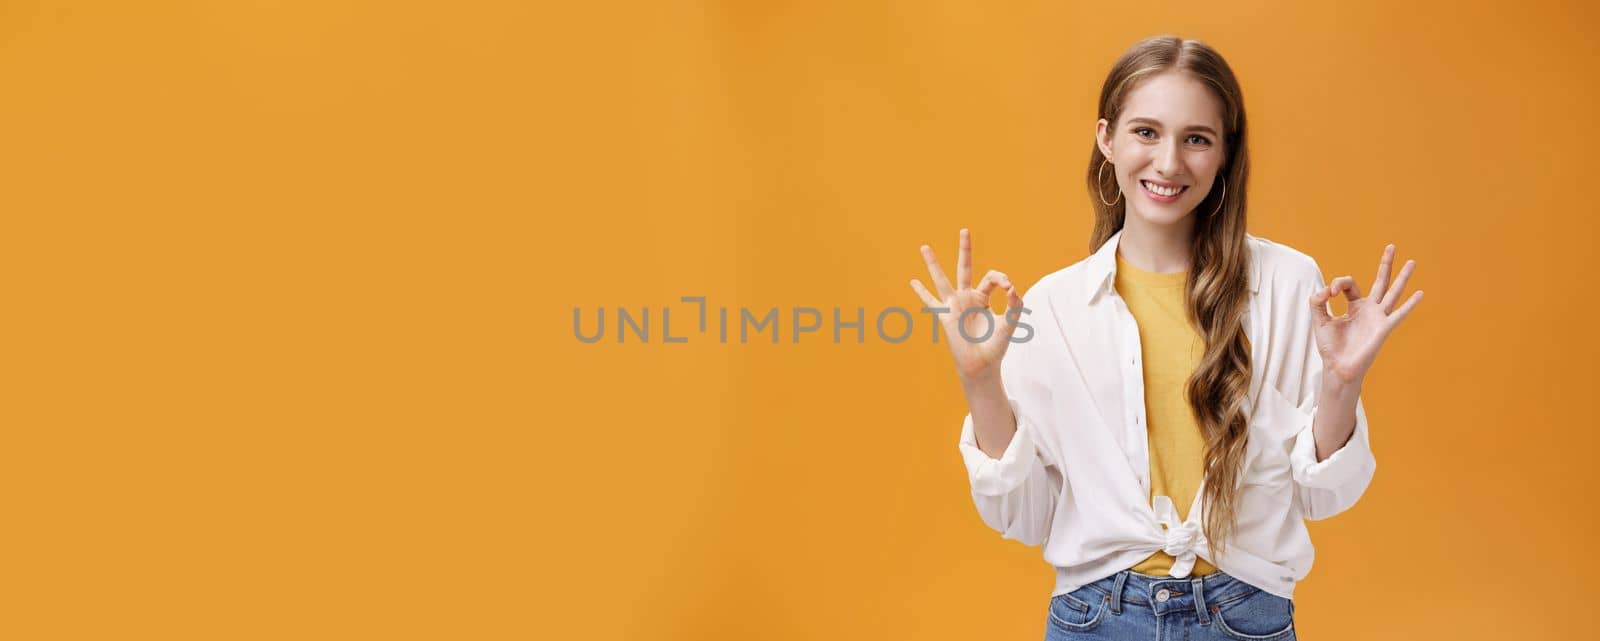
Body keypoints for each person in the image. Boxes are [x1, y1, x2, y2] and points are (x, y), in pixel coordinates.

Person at [908, 36, 1423, 640]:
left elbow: (1324, 497)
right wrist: (980, 384)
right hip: (1095, 619)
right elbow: (1026, 516)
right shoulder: (1054, 304)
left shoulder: (1289, 284)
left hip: (1244, 618)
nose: (1169, 163)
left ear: (1226, 152)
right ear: (1107, 139)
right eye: (1146, 132)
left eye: (1196, 139)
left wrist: (1341, 384)